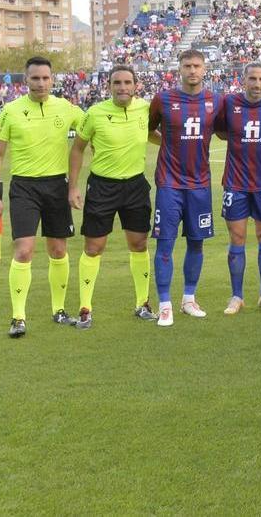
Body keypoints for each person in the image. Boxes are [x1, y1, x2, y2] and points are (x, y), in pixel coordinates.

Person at [0, 56, 85, 337]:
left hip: (57, 186)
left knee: (58, 250)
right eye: (35, 78)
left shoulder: (66, 108)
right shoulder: (11, 111)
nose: (41, 83)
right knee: (24, 250)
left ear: (52, 79)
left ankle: (59, 310)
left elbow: (92, 127)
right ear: (25, 80)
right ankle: (18, 317)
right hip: (24, 187)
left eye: (45, 78)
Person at [67, 65, 153, 328]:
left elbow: (155, 135)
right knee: (94, 247)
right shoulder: (95, 113)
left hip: (136, 186)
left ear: (136, 85)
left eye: (128, 82)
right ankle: (85, 309)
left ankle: (143, 304)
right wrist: (73, 187)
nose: (123, 87)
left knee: (139, 244)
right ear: (109, 86)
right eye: (117, 83)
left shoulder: (146, 109)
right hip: (103, 187)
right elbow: (77, 149)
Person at [148, 49, 219, 327]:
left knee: (196, 243)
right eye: (187, 65)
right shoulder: (163, 99)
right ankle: (165, 304)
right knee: (165, 243)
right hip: (169, 184)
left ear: (204, 69)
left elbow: (224, 130)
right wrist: (167, 143)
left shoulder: (216, 101)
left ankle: (189, 298)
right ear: (179, 69)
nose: (192, 70)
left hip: (200, 184)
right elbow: (148, 129)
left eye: (197, 66)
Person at [215, 62, 261, 314]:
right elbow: (222, 132)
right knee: (237, 238)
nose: (257, 84)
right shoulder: (229, 103)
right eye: (252, 78)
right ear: (243, 79)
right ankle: (237, 296)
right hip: (235, 182)